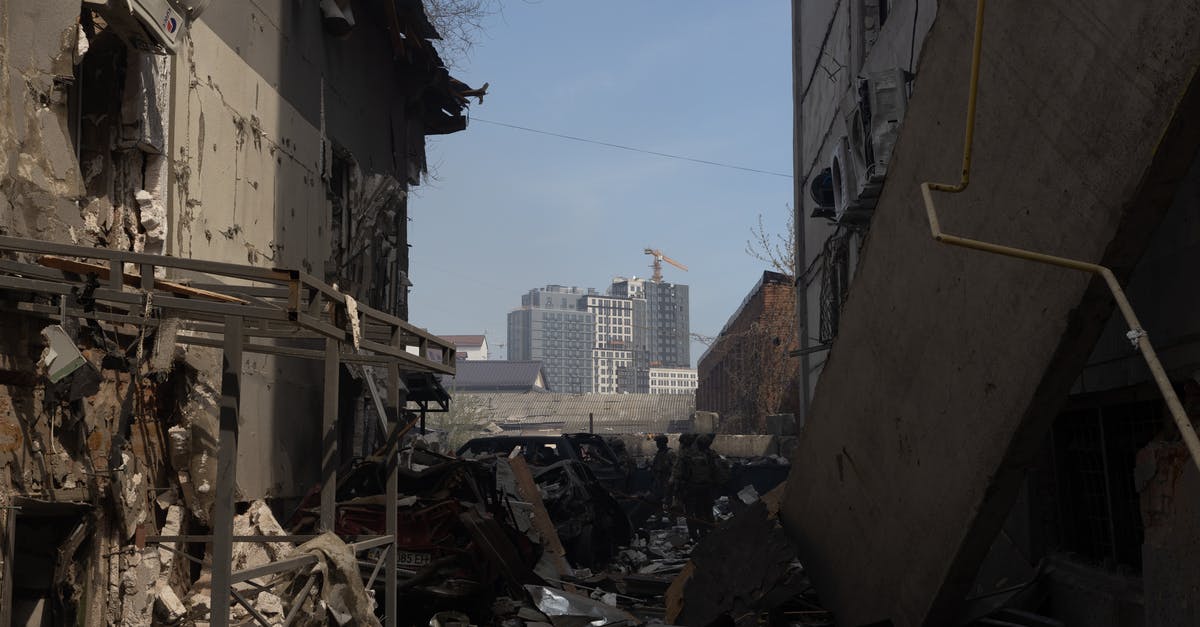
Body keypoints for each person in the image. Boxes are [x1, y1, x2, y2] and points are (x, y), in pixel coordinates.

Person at [672, 432, 725, 541]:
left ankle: (695, 536)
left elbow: (678, 474)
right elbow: (716, 471)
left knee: (691, 514)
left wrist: (676, 491)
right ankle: (708, 535)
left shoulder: (686, 455)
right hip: (706, 488)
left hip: (691, 489)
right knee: (705, 512)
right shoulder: (710, 454)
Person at [650, 434, 676, 506]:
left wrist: (671, 479)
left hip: (666, 480)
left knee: (668, 501)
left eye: (658, 442)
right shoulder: (658, 453)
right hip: (658, 480)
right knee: (657, 501)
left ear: (663, 443)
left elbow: (675, 467)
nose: (657, 444)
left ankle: (671, 516)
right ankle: (659, 516)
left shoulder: (670, 453)